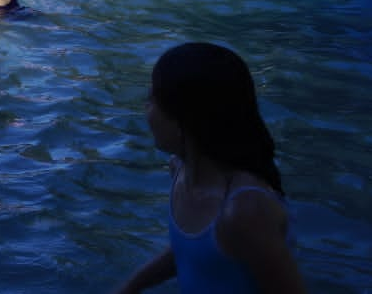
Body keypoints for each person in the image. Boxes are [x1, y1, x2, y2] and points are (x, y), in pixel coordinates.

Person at [113, 42, 304, 294]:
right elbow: (192, 253)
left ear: (182, 121)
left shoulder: (244, 212)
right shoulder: (180, 170)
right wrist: (130, 286)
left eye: (152, 99)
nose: (146, 109)